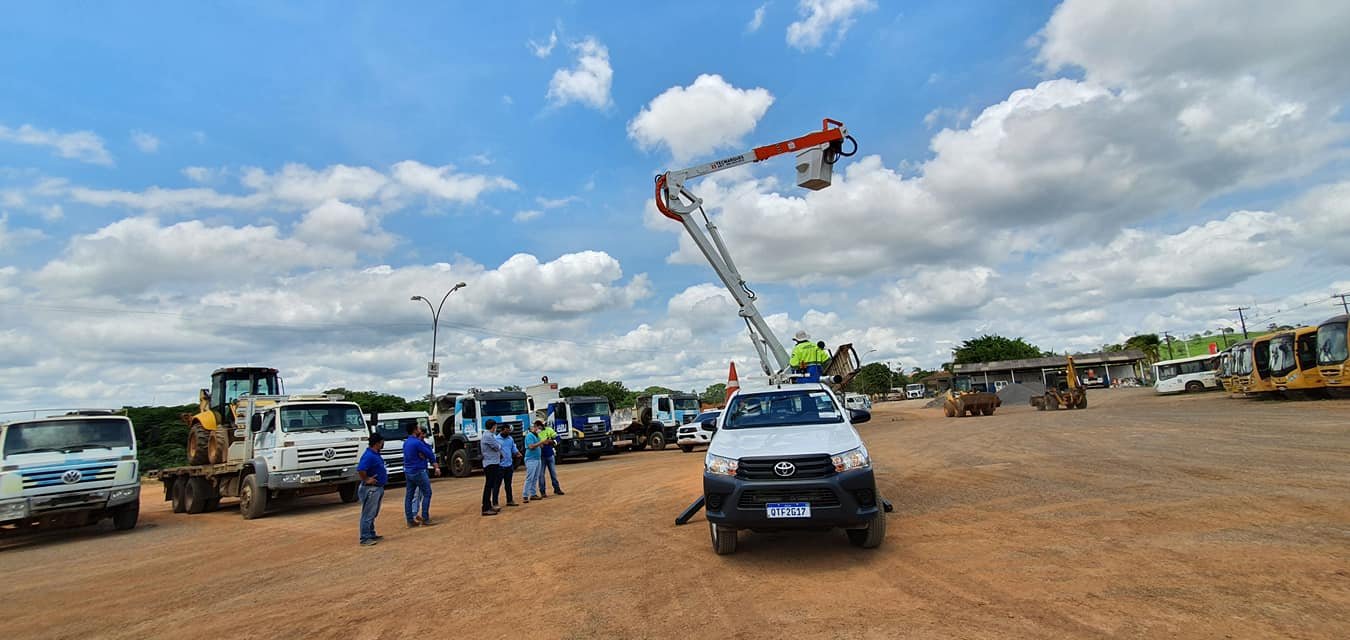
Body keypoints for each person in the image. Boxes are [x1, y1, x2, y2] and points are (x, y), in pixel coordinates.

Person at [402, 421, 439, 528]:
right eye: (418, 428)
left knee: (409, 496)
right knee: (427, 493)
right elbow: (429, 454)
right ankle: (425, 518)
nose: (419, 429)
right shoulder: (417, 442)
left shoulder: (406, 442)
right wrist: (435, 465)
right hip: (418, 470)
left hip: (408, 471)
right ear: (415, 430)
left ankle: (410, 520)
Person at [356, 433, 388, 546]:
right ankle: (365, 538)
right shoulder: (369, 455)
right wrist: (367, 479)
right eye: (382, 442)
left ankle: (371, 533)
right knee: (368, 514)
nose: (383, 444)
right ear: (377, 443)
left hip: (376, 487)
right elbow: (361, 469)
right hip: (371, 489)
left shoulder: (374, 454)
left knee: (372, 513)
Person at [479, 420, 503, 516]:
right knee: (489, 486)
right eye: (495, 426)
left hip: (493, 462)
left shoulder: (489, 435)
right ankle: (485, 507)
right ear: (493, 426)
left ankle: (488, 506)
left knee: (491, 485)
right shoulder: (488, 436)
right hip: (490, 463)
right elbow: (497, 446)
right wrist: (499, 446)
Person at [494, 424, 520, 508]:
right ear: (503, 429)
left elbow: (513, 448)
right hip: (500, 466)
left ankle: (510, 500)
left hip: (509, 464)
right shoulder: (496, 439)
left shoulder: (510, 439)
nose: (509, 432)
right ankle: (495, 502)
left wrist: (517, 453)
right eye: (508, 430)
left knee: (508, 484)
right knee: (497, 485)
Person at [536, 420, 564, 497]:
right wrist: (542, 443)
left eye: (540, 425)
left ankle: (557, 489)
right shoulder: (535, 433)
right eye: (537, 425)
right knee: (541, 475)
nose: (539, 427)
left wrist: (552, 442)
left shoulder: (549, 430)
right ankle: (542, 492)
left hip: (550, 455)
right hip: (540, 456)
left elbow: (558, 438)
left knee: (553, 473)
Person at [522, 421, 545, 503]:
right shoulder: (529, 436)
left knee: (535, 477)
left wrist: (542, 442)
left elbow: (540, 446)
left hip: (537, 458)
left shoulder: (537, 435)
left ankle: (533, 493)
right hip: (531, 459)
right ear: (535, 427)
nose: (540, 430)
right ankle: (525, 495)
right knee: (530, 477)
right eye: (539, 428)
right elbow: (531, 446)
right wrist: (541, 442)